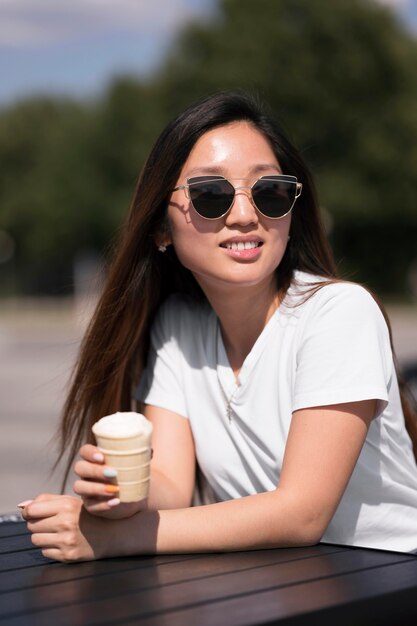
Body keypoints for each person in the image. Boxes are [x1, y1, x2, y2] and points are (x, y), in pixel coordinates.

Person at [20, 91, 417, 562]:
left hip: (387, 579)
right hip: (276, 583)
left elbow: (301, 514)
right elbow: (170, 483)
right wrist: (124, 493)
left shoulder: (339, 313)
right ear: (161, 229)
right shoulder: (178, 327)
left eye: (270, 192)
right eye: (210, 195)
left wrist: (114, 538)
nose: (246, 216)